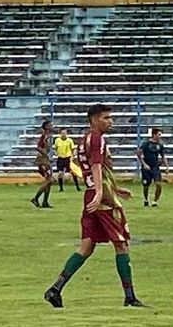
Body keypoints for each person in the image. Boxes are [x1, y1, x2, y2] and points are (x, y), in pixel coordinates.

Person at [44, 104, 145, 308]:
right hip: (102, 199)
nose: (110, 121)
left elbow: (91, 170)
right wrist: (102, 193)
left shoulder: (84, 139)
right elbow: (97, 166)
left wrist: (114, 189)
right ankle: (130, 297)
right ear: (94, 120)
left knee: (87, 246)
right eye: (106, 118)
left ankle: (55, 289)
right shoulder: (97, 138)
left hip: (92, 194)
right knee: (121, 244)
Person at [136, 127, 168, 207]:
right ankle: (146, 199)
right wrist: (144, 164)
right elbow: (138, 153)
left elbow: (163, 155)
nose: (160, 136)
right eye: (159, 134)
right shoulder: (146, 143)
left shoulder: (160, 145)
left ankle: (155, 201)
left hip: (155, 167)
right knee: (146, 186)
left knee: (158, 184)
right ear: (154, 135)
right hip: (146, 167)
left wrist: (166, 165)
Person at [31, 120, 54, 208]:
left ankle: (45, 202)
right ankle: (35, 198)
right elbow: (38, 147)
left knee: (49, 181)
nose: (51, 126)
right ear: (46, 126)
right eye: (50, 125)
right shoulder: (44, 135)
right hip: (42, 161)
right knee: (49, 180)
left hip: (45, 160)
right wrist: (46, 155)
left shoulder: (47, 135)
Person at [53, 127, 81, 193]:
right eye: (62, 133)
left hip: (68, 158)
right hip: (60, 158)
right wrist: (55, 152)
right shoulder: (57, 140)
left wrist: (73, 155)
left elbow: (73, 149)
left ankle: (77, 187)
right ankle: (61, 188)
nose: (63, 134)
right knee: (60, 173)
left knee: (73, 173)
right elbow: (54, 148)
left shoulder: (69, 140)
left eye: (65, 133)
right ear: (60, 134)